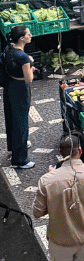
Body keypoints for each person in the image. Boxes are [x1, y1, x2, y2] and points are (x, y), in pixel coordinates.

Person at [2, 25, 35, 169]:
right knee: (21, 121)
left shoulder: (9, 48)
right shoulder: (22, 57)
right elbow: (29, 80)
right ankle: (20, 159)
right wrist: (31, 68)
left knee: (11, 118)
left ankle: (13, 146)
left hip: (10, 86)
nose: (31, 35)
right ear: (22, 38)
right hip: (20, 89)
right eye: (28, 34)